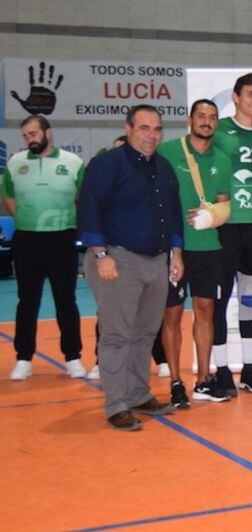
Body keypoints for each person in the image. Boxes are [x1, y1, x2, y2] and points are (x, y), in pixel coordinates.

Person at [78, 105, 182, 431]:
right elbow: (89, 207)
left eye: (157, 129)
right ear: (128, 128)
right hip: (117, 260)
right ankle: (116, 404)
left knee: (145, 334)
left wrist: (176, 253)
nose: (152, 135)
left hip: (156, 261)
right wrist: (99, 254)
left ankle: (138, 394)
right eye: (144, 128)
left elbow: (173, 214)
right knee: (117, 336)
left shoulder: (163, 167)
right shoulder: (107, 164)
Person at [156, 99, 233, 406]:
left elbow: (225, 204)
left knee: (206, 311)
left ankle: (203, 380)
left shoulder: (223, 160)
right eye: (201, 116)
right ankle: (176, 382)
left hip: (208, 248)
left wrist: (212, 216)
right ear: (190, 120)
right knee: (172, 314)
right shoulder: (168, 152)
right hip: (174, 248)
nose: (207, 121)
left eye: (212, 117)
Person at [3, 115, 85, 380]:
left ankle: (73, 357)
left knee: (66, 301)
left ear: (48, 133)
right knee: (27, 301)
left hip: (62, 239)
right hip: (27, 240)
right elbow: (8, 195)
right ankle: (24, 358)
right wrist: (24, 219)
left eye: (34, 133)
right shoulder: (16, 163)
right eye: (26, 135)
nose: (30, 139)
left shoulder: (72, 163)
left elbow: (83, 198)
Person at [211, 73, 252, 395]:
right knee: (220, 301)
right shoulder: (219, 130)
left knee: (250, 298)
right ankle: (221, 370)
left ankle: (249, 369)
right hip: (228, 227)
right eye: (250, 95)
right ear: (235, 97)